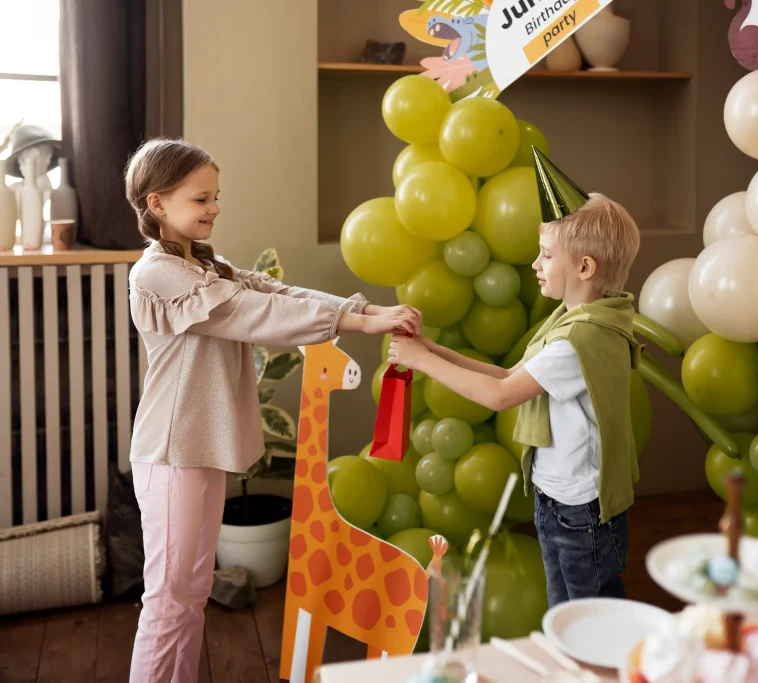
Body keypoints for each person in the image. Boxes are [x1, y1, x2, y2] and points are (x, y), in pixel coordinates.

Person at [124, 138, 421, 682]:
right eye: (200, 199)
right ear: (158, 203)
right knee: (170, 601)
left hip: (198, 449)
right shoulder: (158, 274)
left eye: (216, 196)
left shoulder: (206, 265)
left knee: (189, 596)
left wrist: (365, 310)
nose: (214, 207)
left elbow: (275, 290)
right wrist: (356, 323)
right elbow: (253, 312)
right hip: (173, 452)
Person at [389, 153, 641, 607]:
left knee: (588, 617)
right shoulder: (574, 323)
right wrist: (431, 350)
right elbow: (511, 375)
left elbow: (502, 395)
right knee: (565, 613)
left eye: (546, 255)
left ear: (584, 268)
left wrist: (422, 363)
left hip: (580, 513)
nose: (535, 264)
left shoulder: (577, 339)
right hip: (560, 502)